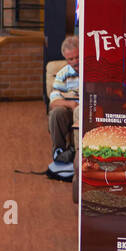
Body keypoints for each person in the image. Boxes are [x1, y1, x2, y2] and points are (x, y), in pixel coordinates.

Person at [48, 35, 79, 175]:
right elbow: (54, 102)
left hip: (89, 109)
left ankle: (76, 151)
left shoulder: (93, 69)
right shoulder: (63, 74)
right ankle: (59, 152)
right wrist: (70, 104)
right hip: (71, 110)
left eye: (77, 57)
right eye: (70, 59)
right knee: (56, 113)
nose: (74, 62)